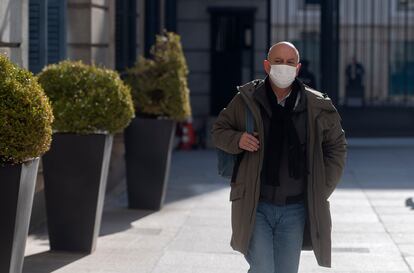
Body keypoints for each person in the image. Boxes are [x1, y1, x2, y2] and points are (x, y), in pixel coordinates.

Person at [211, 41, 347, 273]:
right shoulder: (247, 99)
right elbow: (218, 131)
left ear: (298, 68)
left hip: (294, 209)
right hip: (256, 204)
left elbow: (336, 146)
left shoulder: (316, 105)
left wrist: (320, 188)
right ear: (266, 65)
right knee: (263, 267)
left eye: (290, 62)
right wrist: (238, 139)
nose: (284, 67)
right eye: (278, 61)